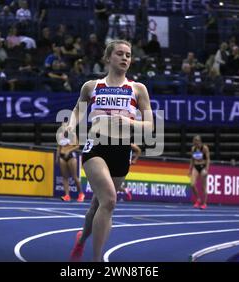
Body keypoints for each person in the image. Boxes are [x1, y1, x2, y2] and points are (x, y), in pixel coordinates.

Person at [65, 40, 153, 262]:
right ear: (108, 58)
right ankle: (97, 261)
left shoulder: (138, 89)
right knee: (110, 201)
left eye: (129, 55)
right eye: (120, 54)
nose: (125, 58)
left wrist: (128, 122)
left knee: (98, 204)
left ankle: (81, 240)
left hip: (121, 150)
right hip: (96, 147)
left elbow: (151, 125)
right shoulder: (91, 86)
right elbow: (78, 109)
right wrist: (70, 124)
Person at [56, 121, 84, 202]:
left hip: (71, 157)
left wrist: (69, 151)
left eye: (65, 125)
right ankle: (67, 195)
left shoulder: (73, 135)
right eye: (62, 126)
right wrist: (57, 157)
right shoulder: (59, 135)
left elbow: (77, 146)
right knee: (65, 177)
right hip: (62, 157)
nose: (64, 127)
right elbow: (59, 147)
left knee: (75, 177)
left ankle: (81, 194)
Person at [189, 135, 210, 209]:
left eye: (197, 140)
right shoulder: (193, 149)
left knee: (203, 187)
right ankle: (198, 199)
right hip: (196, 167)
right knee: (192, 184)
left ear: (200, 141)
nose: (195, 142)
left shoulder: (204, 148)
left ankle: (204, 203)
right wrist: (190, 169)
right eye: (194, 140)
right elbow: (192, 160)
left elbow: (208, 159)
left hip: (203, 167)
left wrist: (206, 170)